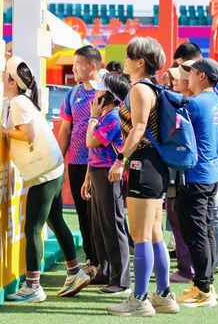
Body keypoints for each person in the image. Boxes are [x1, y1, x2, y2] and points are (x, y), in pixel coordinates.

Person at [2, 56, 90, 302]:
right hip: (52, 167)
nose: (2, 79)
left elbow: (27, 134)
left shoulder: (18, 102)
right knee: (55, 220)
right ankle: (75, 271)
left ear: (12, 82)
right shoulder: (23, 100)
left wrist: (5, 131)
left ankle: (33, 286)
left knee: (33, 227)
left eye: (5, 75)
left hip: (43, 172)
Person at [107, 37, 179, 317]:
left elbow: (138, 129)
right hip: (154, 166)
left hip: (142, 164)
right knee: (154, 234)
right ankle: (164, 295)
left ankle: (140, 299)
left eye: (128, 57)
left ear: (140, 62)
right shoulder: (152, 88)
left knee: (141, 236)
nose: (125, 61)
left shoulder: (139, 89)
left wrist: (120, 160)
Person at [175, 58, 218, 308]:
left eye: (191, 73)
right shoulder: (215, 101)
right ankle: (206, 284)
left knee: (196, 234)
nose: (187, 78)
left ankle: (203, 288)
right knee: (205, 230)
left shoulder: (195, 103)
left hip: (195, 175)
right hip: (211, 173)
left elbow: (174, 131)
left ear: (202, 76)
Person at [82, 72, 131, 295]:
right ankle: (105, 271)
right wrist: (88, 177)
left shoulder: (112, 117)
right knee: (100, 225)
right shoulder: (106, 116)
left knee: (112, 225)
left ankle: (120, 280)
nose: (95, 94)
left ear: (108, 97)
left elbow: (91, 141)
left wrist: (92, 118)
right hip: (98, 172)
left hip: (109, 175)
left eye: (99, 91)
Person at [57, 45, 102, 271]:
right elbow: (65, 130)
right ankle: (91, 260)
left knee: (100, 215)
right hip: (76, 162)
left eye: (77, 64)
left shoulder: (105, 93)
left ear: (92, 66)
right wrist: (58, 160)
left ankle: (106, 262)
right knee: (83, 214)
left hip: (99, 164)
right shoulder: (72, 94)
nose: (73, 68)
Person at [165, 61, 196, 284]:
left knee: (180, 218)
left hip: (184, 174)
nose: (174, 80)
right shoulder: (199, 102)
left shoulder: (188, 105)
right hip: (190, 173)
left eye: (178, 77)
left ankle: (188, 269)